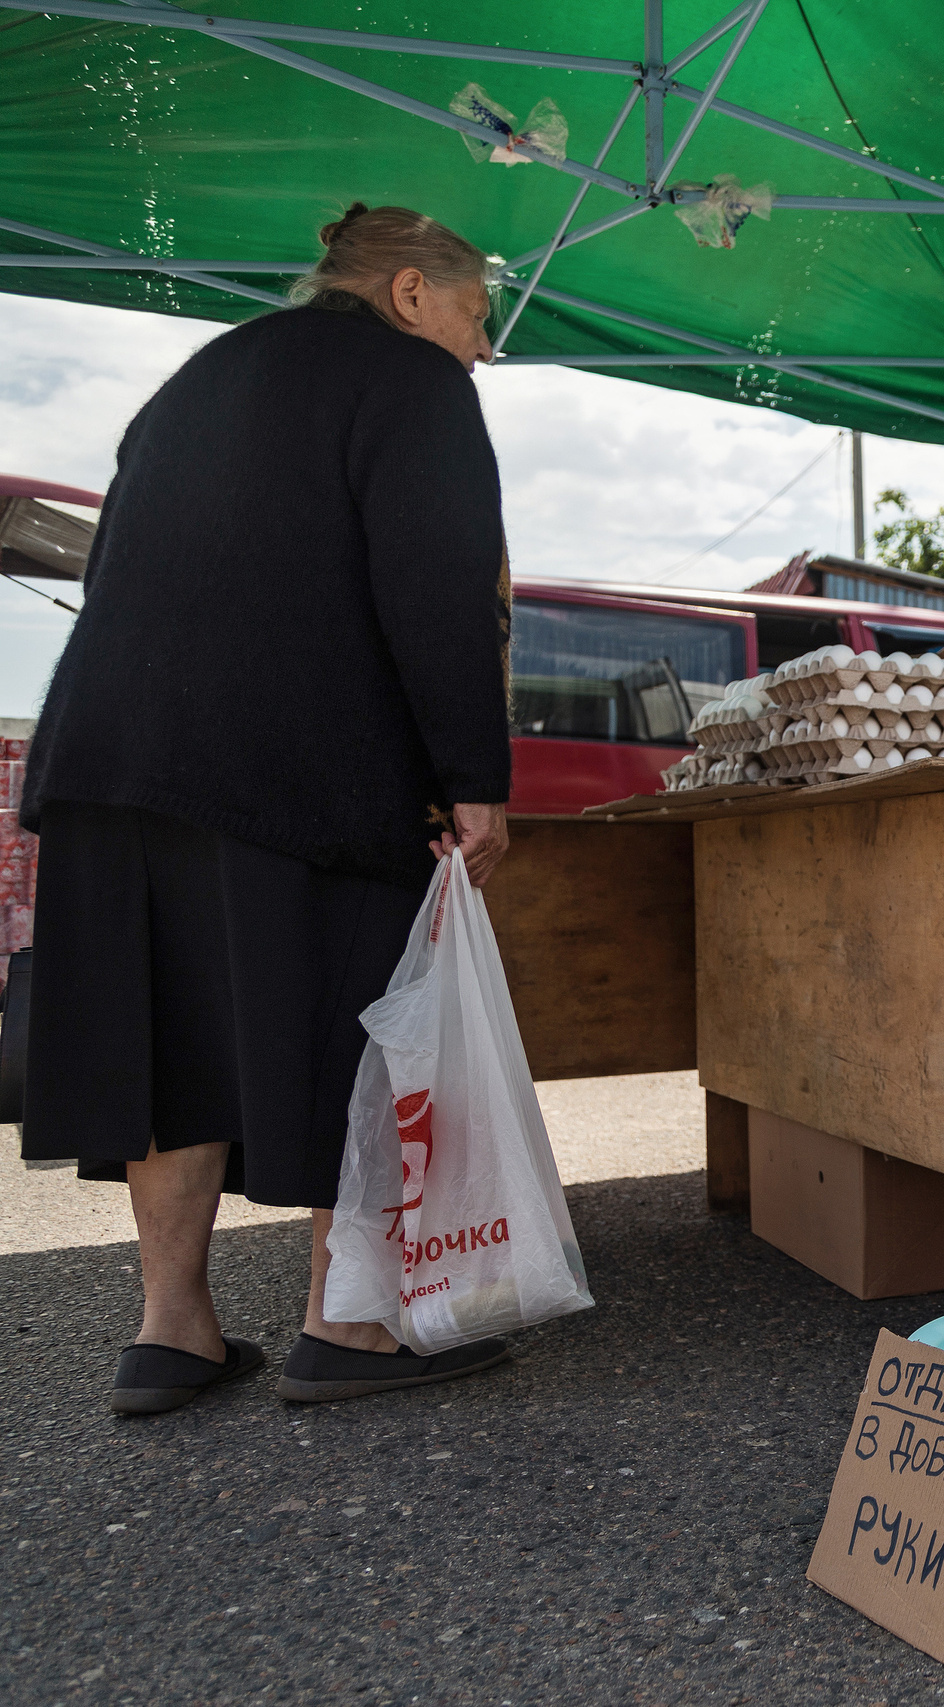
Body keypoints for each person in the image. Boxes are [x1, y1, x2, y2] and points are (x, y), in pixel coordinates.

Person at [20, 203, 519, 1414]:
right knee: (344, 1026)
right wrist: (475, 781)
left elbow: (114, 564)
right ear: (410, 294)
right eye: (476, 316)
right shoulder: (412, 381)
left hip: (112, 755)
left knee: (166, 1030)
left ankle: (171, 1333)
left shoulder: (202, 374)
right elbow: (439, 588)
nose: (483, 349)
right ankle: (346, 1323)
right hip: (303, 760)